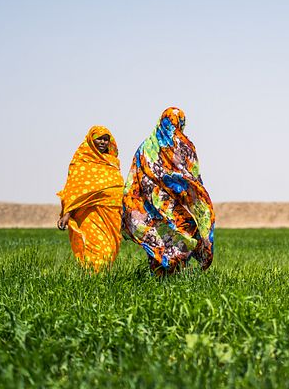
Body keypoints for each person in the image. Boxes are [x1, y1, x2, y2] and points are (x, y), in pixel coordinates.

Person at [122, 107, 215, 276]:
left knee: (163, 234)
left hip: (152, 203)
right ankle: (167, 274)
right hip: (163, 202)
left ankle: (167, 273)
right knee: (182, 230)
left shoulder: (145, 147)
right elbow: (192, 175)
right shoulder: (182, 145)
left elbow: (132, 179)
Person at [56, 126, 125, 272]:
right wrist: (67, 214)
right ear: (91, 140)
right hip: (90, 214)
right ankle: (93, 280)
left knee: (110, 249)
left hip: (112, 215)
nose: (102, 142)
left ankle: (102, 281)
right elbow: (75, 190)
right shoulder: (82, 161)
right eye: (99, 138)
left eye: (106, 139)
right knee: (97, 248)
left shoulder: (113, 162)